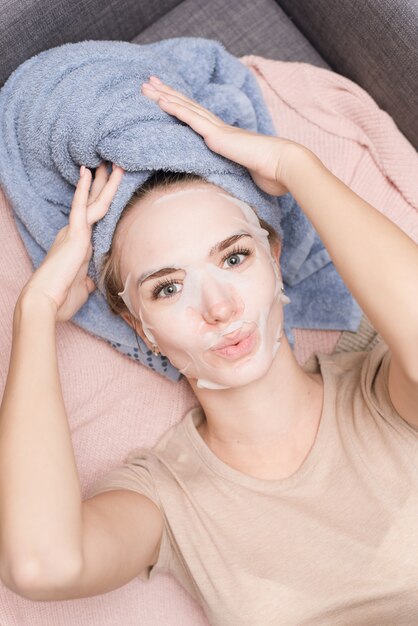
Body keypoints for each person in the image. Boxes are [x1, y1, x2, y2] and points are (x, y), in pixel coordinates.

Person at [0, 76, 417, 624]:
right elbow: (41, 566)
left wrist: (296, 167)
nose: (218, 307)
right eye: (167, 288)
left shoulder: (384, 393)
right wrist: (34, 313)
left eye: (235, 258)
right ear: (141, 326)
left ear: (274, 256)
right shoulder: (167, 496)